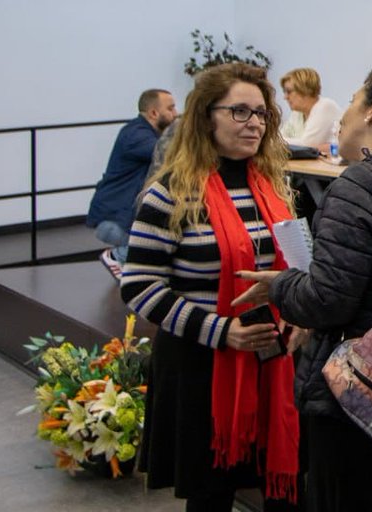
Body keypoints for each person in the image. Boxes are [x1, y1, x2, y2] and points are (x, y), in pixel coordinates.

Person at [234, 67, 372, 511]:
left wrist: (283, 286)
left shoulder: (361, 184)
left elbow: (327, 301)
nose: (341, 117)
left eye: (352, 101)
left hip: (363, 396)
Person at [120, 63, 300, 512]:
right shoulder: (171, 194)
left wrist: (298, 308)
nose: (254, 122)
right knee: (211, 497)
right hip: (201, 367)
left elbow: (300, 265)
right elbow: (140, 286)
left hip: (271, 361)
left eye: (261, 113)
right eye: (239, 111)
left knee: (282, 488)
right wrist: (223, 331)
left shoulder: (276, 188)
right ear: (206, 117)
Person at [88, 88, 177, 261]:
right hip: (116, 221)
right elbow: (170, 154)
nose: (176, 113)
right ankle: (116, 256)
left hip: (119, 217)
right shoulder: (136, 135)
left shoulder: (143, 133)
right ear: (153, 113)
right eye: (171, 108)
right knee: (153, 250)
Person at [279, 67, 342, 150]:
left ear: (304, 90)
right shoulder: (297, 113)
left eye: (289, 91)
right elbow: (280, 137)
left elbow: (307, 144)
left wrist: (278, 140)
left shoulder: (325, 106)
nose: (285, 97)